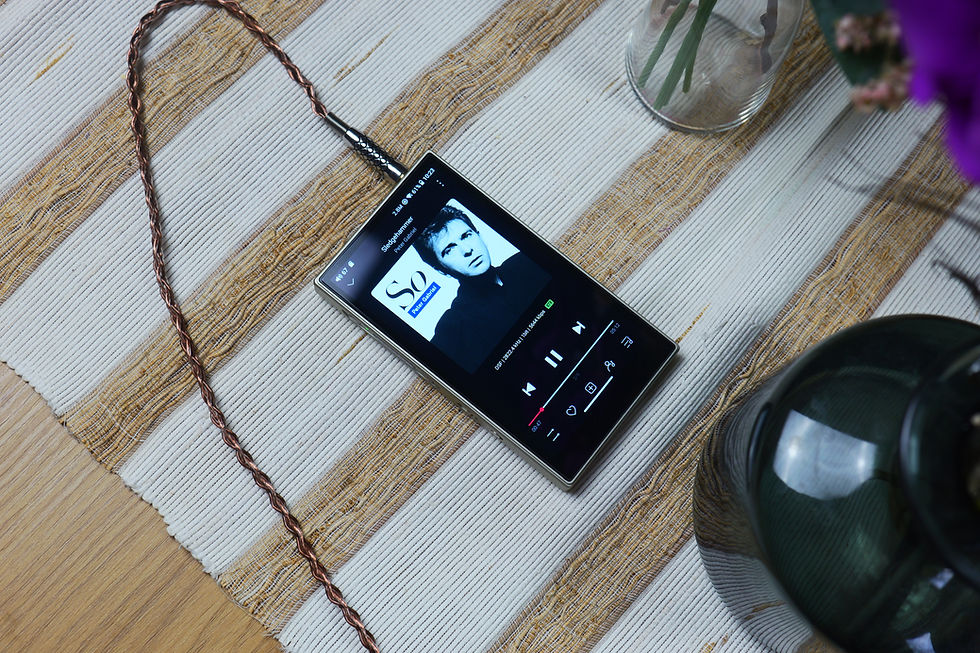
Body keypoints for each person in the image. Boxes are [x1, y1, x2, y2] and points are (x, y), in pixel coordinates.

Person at [415, 205, 548, 372]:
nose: (467, 250)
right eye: (449, 250)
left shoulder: (527, 262)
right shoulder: (454, 327)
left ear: (479, 235)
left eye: (466, 236)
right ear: (440, 269)